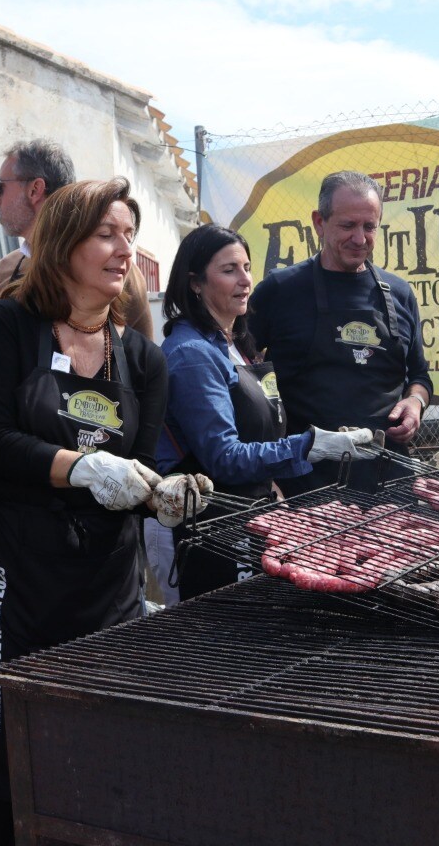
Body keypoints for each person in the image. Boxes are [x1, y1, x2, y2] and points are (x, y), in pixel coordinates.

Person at [0, 178, 205, 845]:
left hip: (101, 586)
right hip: (7, 579)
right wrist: (80, 466)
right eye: (106, 233)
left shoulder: (142, 358)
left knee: (93, 745)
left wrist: (162, 496)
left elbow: (139, 468)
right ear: (64, 244)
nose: (124, 249)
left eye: (129, 234)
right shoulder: (9, 328)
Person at [156, 224, 375, 598]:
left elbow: (257, 435)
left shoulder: (238, 344)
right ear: (195, 282)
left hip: (247, 519)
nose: (245, 280)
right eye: (229, 270)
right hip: (207, 531)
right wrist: (310, 446)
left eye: (247, 267)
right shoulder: (192, 355)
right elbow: (224, 458)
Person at [247, 171, 433, 493]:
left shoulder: (400, 294)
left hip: (389, 478)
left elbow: (419, 374)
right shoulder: (279, 291)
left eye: (369, 226)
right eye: (347, 226)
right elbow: (239, 370)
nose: (360, 239)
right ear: (319, 222)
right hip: (304, 484)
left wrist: (415, 402)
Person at [0, 138, 152, 337]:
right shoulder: (7, 269)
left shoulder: (119, 274)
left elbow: (140, 360)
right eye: (106, 234)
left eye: (0, 186)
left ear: (35, 190)